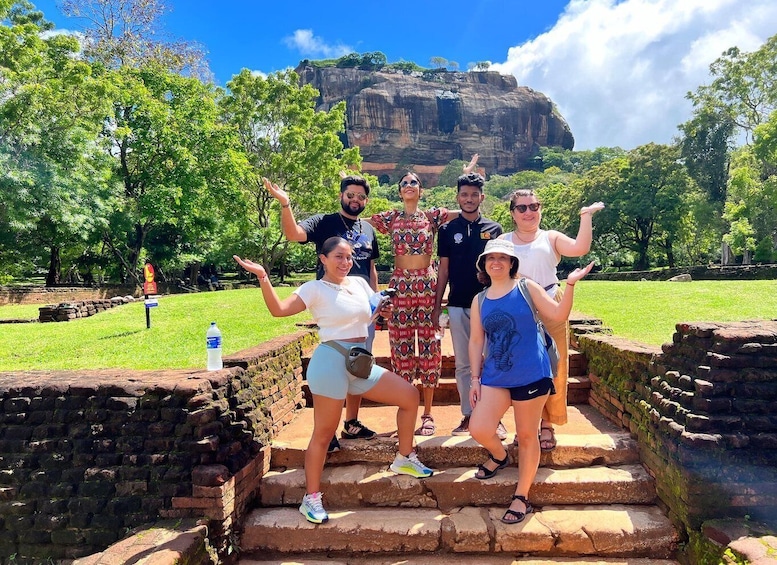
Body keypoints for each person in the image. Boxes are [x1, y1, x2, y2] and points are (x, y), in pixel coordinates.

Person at [234, 237, 433, 524]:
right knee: (324, 434)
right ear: (323, 258)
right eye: (338, 256)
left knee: (409, 396)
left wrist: (381, 311)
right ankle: (311, 498)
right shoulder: (314, 288)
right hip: (330, 362)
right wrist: (264, 277)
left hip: (359, 362)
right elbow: (278, 310)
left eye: (349, 257)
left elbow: (368, 314)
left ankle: (404, 456)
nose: (345, 262)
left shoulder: (359, 284)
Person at [468, 238, 593, 524]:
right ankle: (500, 456)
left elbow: (559, 314)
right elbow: (477, 341)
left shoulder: (527, 288)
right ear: (484, 265)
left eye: (503, 257)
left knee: (527, 435)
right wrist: (475, 378)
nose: (496, 262)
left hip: (531, 373)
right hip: (496, 375)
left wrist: (570, 285)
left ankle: (521, 495)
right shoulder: (480, 300)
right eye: (491, 258)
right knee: (479, 428)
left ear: (512, 263)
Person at [265, 175, 379, 451]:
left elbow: (371, 268)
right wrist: (285, 205)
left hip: (362, 302)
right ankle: (328, 431)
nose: (355, 200)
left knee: (360, 364)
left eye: (361, 197)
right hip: (333, 303)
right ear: (341, 195)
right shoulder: (324, 222)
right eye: (350, 195)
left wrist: (375, 302)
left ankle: (351, 422)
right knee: (335, 368)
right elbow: (294, 235)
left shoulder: (368, 228)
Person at [499, 190, 604, 451]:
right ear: (512, 213)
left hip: (551, 302)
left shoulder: (550, 237)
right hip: (517, 308)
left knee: (554, 367)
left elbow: (580, 248)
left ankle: (547, 424)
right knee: (521, 369)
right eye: (522, 208)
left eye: (533, 206)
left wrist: (586, 216)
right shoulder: (504, 241)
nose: (528, 212)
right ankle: (527, 425)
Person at [367, 172, 459, 436]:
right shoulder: (391, 218)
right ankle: (407, 411)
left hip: (427, 286)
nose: (409, 186)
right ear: (399, 191)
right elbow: (359, 219)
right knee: (401, 349)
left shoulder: (431, 217)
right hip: (399, 287)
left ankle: (428, 414)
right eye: (404, 183)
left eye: (414, 183)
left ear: (421, 190)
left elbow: (460, 212)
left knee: (430, 348)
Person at [433, 172, 506, 438]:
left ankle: (493, 416)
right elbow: (443, 271)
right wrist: (436, 306)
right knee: (464, 363)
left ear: (482, 197)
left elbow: (503, 266)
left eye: (474, 194)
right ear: (458, 197)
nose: (469, 199)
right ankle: (469, 414)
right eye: (464, 194)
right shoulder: (447, 230)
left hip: (490, 303)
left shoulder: (494, 229)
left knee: (491, 361)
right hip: (458, 304)